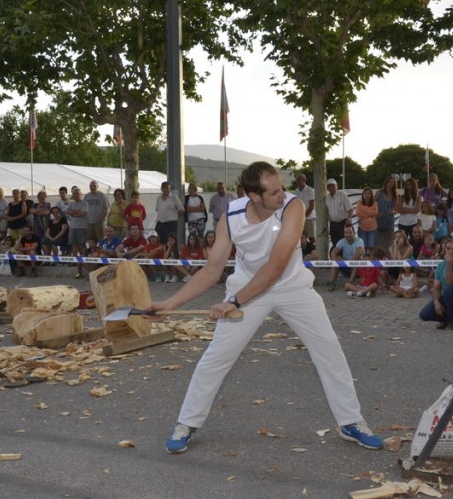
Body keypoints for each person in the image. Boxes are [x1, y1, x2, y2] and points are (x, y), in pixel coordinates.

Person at [149, 161, 383, 454]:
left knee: (329, 350)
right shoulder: (230, 217)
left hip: (292, 286)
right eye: (274, 192)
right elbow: (211, 270)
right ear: (254, 196)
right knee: (217, 356)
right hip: (247, 285)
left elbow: (275, 267)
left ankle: (351, 422)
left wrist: (233, 302)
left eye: (282, 188)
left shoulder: (293, 207)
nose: (283, 194)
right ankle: (186, 423)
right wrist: (169, 304)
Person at [418, 237, 453, 329]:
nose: (451, 252)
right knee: (424, 315)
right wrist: (436, 302)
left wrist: (449, 263)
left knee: (448, 288)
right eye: (448, 249)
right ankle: (446, 319)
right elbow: (436, 287)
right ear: (444, 249)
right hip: (447, 296)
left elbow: (451, 281)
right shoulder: (441, 265)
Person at [327, 224, 365, 291]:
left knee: (357, 260)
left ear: (354, 233)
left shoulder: (359, 240)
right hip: (346, 267)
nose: (348, 235)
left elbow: (359, 252)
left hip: (357, 268)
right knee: (337, 259)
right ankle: (333, 282)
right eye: (346, 233)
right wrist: (336, 260)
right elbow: (333, 252)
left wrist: (350, 262)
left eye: (350, 232)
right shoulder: (342, 241)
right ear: (344, 234)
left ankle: (350, 282)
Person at [65, 186, 89, 278]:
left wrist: (73, 213)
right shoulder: (71, 203)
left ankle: (84, 261)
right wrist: (76, 212)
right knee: (74, 245)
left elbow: (83, 213)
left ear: (80, 194)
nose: (75, 195)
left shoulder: (84, 203)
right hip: (72, 227)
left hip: (82, 227)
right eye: (74, 193)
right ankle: (74, 261)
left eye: (77, 193)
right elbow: (68, 211)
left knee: (82, 245)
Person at [324, 178, 352, 249]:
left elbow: (350, 208)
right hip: (333, 224)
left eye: (333, 185)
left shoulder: (342, 195)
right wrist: (327, 216)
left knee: (345, 243)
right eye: (329, 186)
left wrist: (349, 218)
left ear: (336, 186)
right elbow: (326, 210)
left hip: (343, 223)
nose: (331, 188)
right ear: (327, 188)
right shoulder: (327, 198)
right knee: (335, 244)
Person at [376, 176, 398, 253]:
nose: (390, 183)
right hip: (378, 220)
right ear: (386, 182)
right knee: (378, 243)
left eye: (392, 182)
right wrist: (376, 212)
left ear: (394, 184)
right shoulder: (379, 192)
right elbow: (372, 203)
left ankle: (388, 259)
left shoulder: (395, 195)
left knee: (389, 243)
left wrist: (393, 211)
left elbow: (396, 210)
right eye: (389, 181)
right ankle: (378, 259)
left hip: (389, 221)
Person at [291, 174, 316, 239]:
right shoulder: (295, 192)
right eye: (297, 180)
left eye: (299, 179)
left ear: (304, 180)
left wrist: (303, 216)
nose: (297, 181)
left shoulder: (310, 190)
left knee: (311, 238)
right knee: (301, 238)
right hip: (299, 219)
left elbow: (312, 206)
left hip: (309, 218)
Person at [354, 187, 378, 252]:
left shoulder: (374, 203)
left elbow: (375, 212)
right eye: (365, 193)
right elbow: (358, 213)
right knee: (363, 247)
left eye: (368, 193)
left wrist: (364, 211)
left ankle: (371, 258)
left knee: (371, 247)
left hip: (373, 229)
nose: (367, 195)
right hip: (362, 229)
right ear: (363, 194)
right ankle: (364, 258)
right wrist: (369, 213)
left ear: (371, 195)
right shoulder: (359, 203)